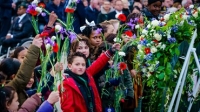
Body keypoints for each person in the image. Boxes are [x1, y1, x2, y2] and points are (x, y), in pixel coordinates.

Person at [60, 43, 120, 112]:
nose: (80, 67)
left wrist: (111, 51)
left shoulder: (88, 73)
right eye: (77, 64)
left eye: (83, 65)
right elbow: (67, 108)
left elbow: (99, 63)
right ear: (70, 66)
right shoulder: (66, 83)